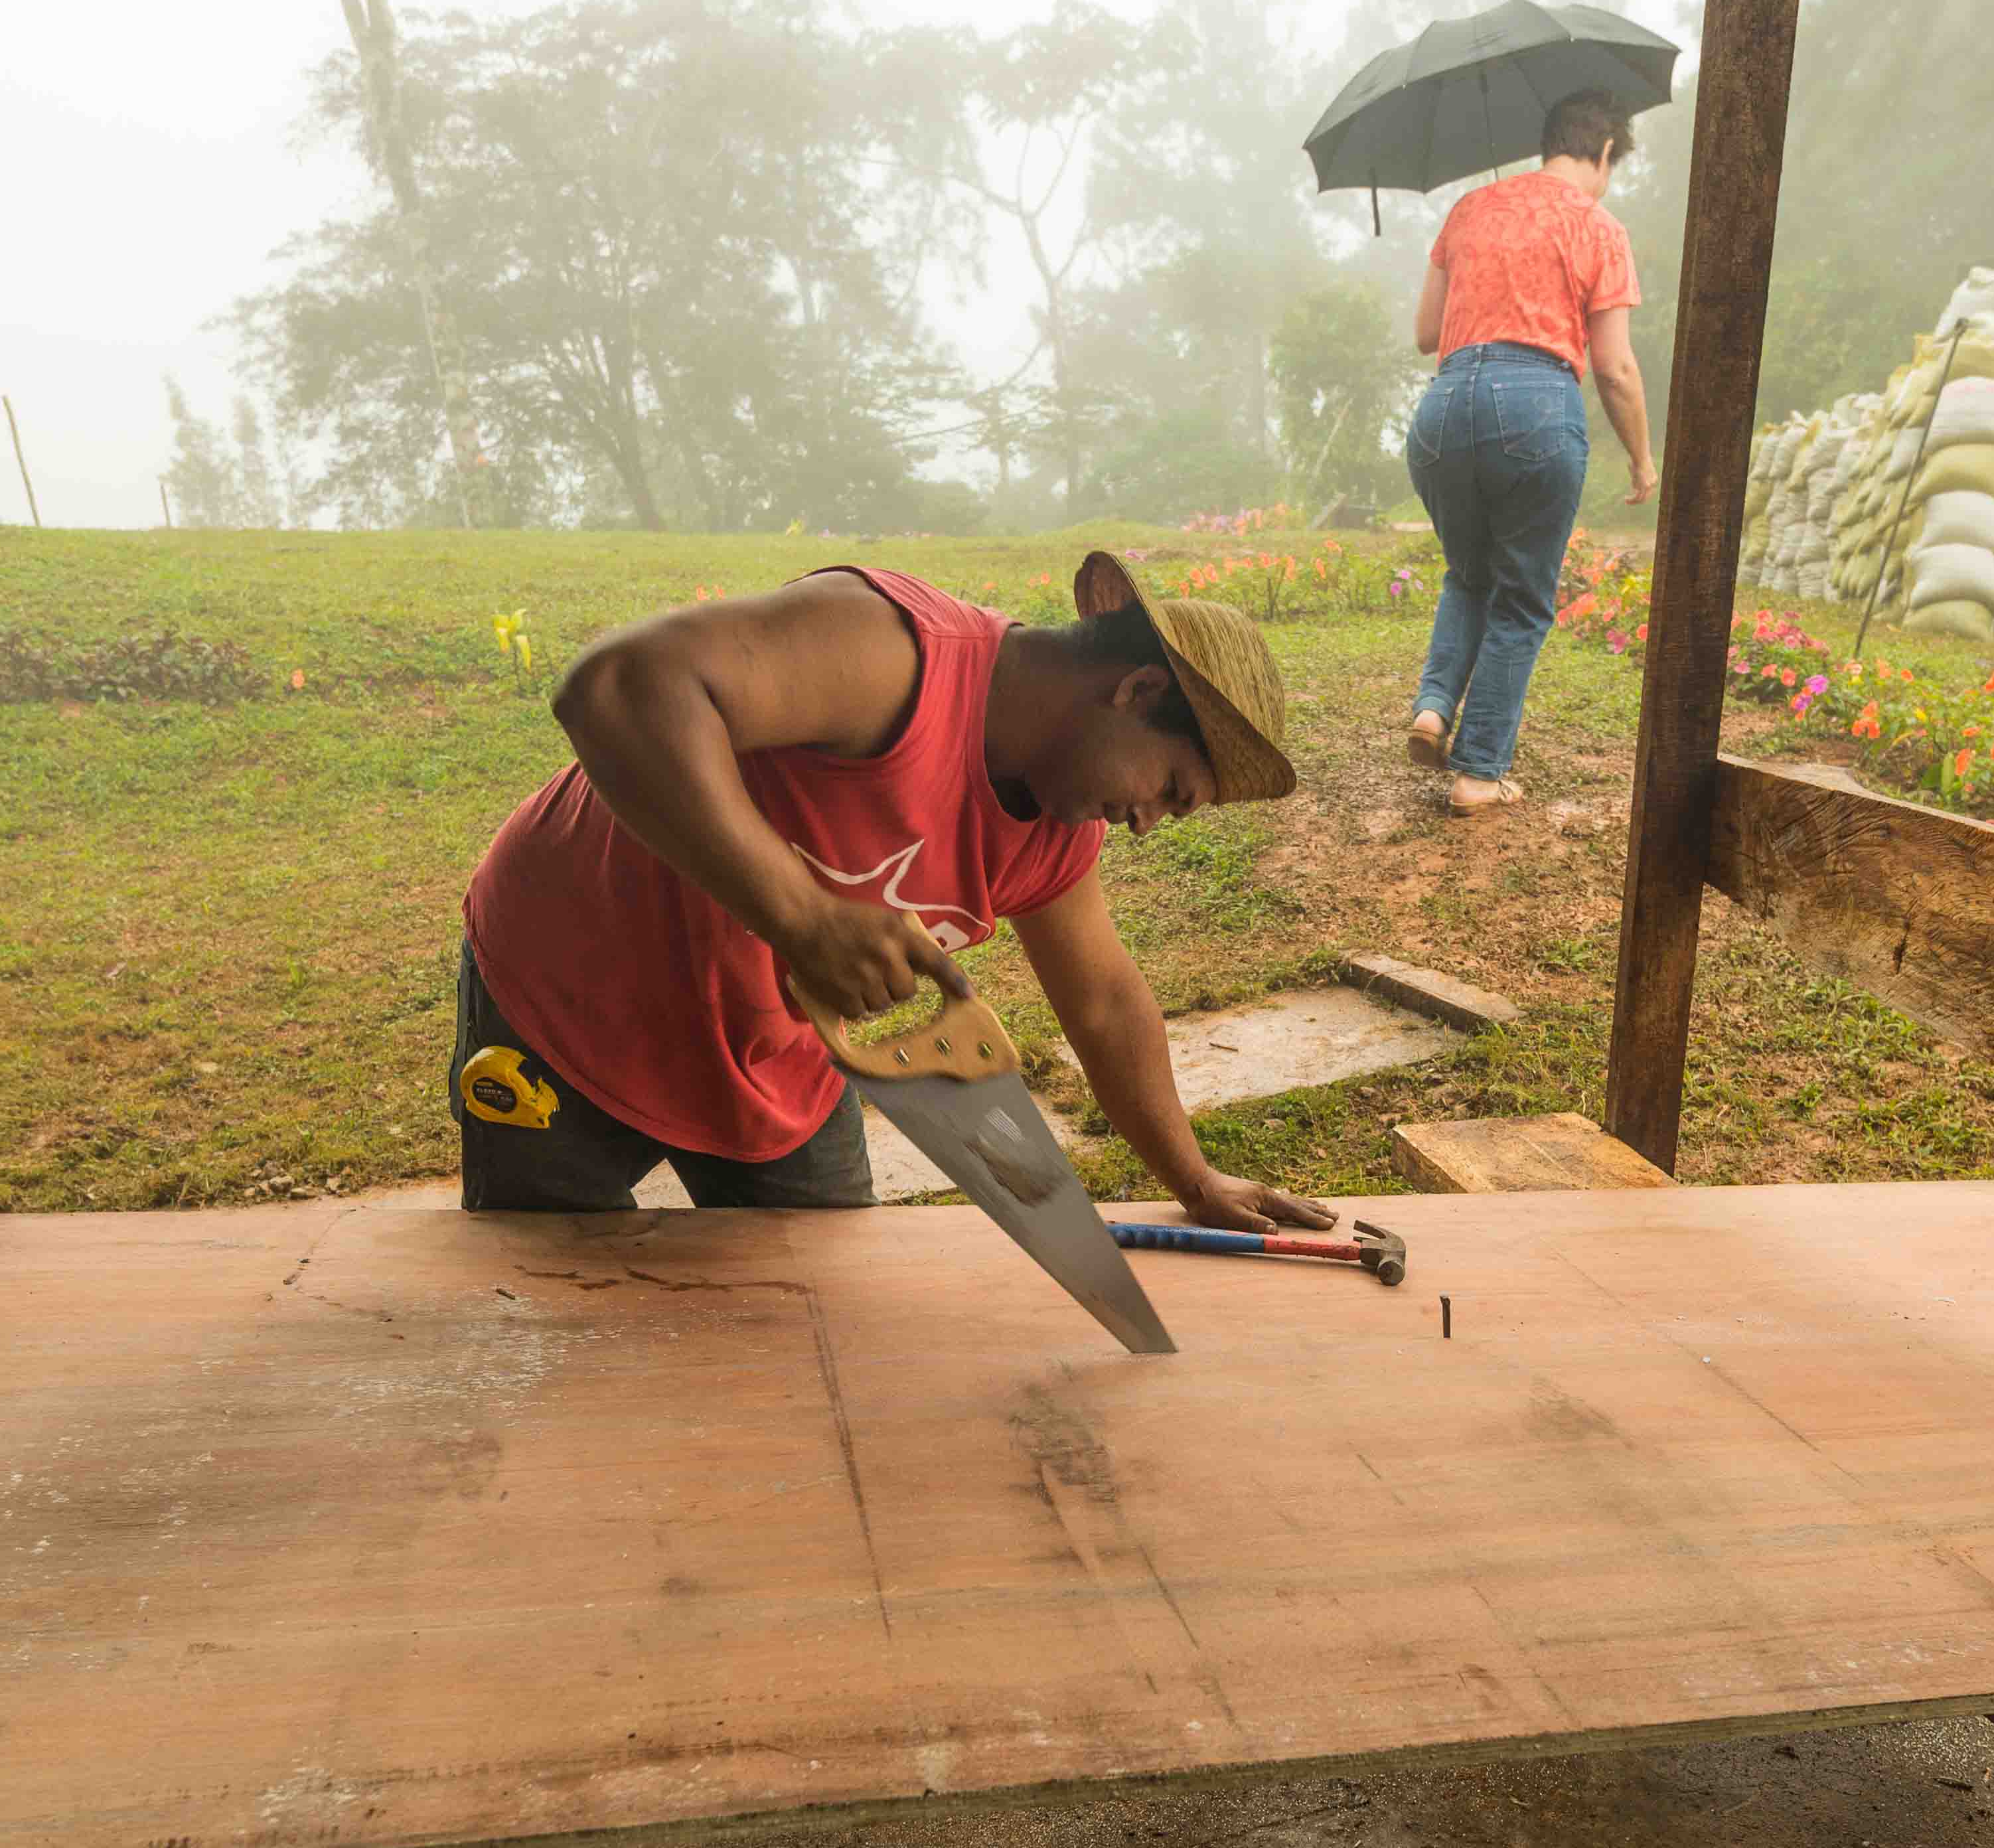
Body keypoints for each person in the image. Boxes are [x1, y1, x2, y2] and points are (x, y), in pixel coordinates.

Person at [453, 550, 1333, 1239]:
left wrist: (1193, 1178)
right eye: (1169, 790)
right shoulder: (895, 652)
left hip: (771, 1056)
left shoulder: (1057, 830)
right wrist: (803, 918)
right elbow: (616, 686)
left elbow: (1103, 1001)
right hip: (572, 1007)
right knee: (551, 1302)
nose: (1145, 824)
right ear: (1139, 691)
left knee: (825, 1317)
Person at [1400, 87, 1658, 815]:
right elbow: (1614, 368)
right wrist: (1642, 458)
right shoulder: (1599, 226)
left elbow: (1427, 334)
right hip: (1535, 406)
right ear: (1603, 151)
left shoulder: (1469, 209)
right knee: (1521, 598)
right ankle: (1479, 772)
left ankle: (1433, 707)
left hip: (1444, 408)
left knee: (1469, 576)